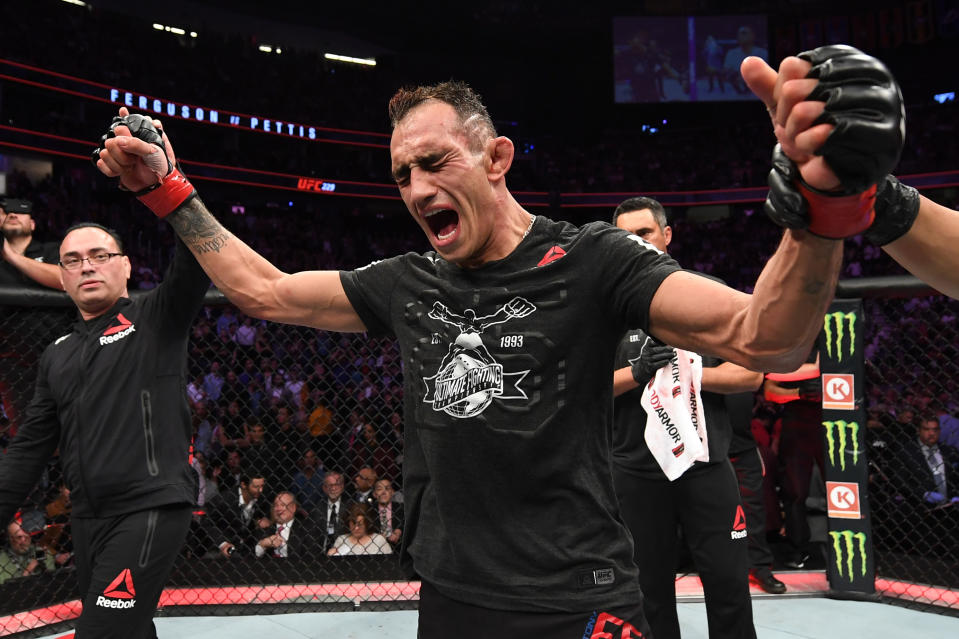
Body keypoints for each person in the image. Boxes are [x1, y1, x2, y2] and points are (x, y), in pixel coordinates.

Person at [95, 46, 904, 636]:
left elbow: (763, 333)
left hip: (579, 597)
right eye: (401, 173)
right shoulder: (406, 279)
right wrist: (170, 192)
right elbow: (263, 291)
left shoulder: (594, 260)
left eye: (433, 162)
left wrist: (823, 208)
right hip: (452, 594)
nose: (414, 188)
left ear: (496, 157)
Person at [0, 221, 209, 637]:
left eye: (100, 256)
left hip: (150, 507)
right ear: (61, 276)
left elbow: (195, 261)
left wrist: (165, 187)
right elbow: (29, 450)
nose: (87, 267)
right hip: (87, 517)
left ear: (126, 266)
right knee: (129, 629)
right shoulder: (57, 355)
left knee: (99, 632)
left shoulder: (155, 317)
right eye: (73, 261)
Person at [610, 196, 765, 639]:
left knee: (729, 583)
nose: (635, 243)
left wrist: (694, 374)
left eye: (644, 233)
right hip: (636, 471)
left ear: (666, 235)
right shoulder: (604, 307)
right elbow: (584, 390)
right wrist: (637, 373)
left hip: (706, 465)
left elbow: (750, 375)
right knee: (646, 590)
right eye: (624, 236)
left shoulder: (706, 292)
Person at [726, 392, 787, 594]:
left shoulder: (744, 362)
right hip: (704, 444)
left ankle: (759, 566)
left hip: (743, 443)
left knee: (753, 509)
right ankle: (715, 566)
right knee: (706, 509)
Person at [0, 198, 62, 290]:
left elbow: (63, 280)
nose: (12, 215)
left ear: (32, 224)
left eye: (20, 211)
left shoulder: (51, 250)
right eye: (6, 213)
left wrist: (11, 256)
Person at [254, 492, 323, 558]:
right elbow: (249, 557)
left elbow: (311, 557)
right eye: (276, 505)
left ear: (293, 508)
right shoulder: (264, 529)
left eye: (283, 505)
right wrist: (263, 544)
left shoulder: (307, 529)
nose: (278, 509)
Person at [327, 502, 393, 556]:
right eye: (353, 524)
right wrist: (330, 556)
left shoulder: (378, 540)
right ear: (348, 523)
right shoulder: (341, 540)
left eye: (360, 524)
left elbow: (390, 563)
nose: (356, 528)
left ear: (367, 524)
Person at [316, 470, 352, 551]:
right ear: (324, 488)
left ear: (342, 486)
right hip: (322, 553)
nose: (333, 488)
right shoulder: (317, 508)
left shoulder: (351, 506)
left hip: (346, 551)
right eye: (329, 485)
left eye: (337, 484)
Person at [372, 478, 404, 550]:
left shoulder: (402, 508)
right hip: (375, 547)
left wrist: (399, 531)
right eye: (380, 489)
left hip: (399, 547)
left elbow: (406, 524)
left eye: (387, 488)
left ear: (392, 492)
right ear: (374, 494)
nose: (384, 492)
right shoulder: (369, 510)